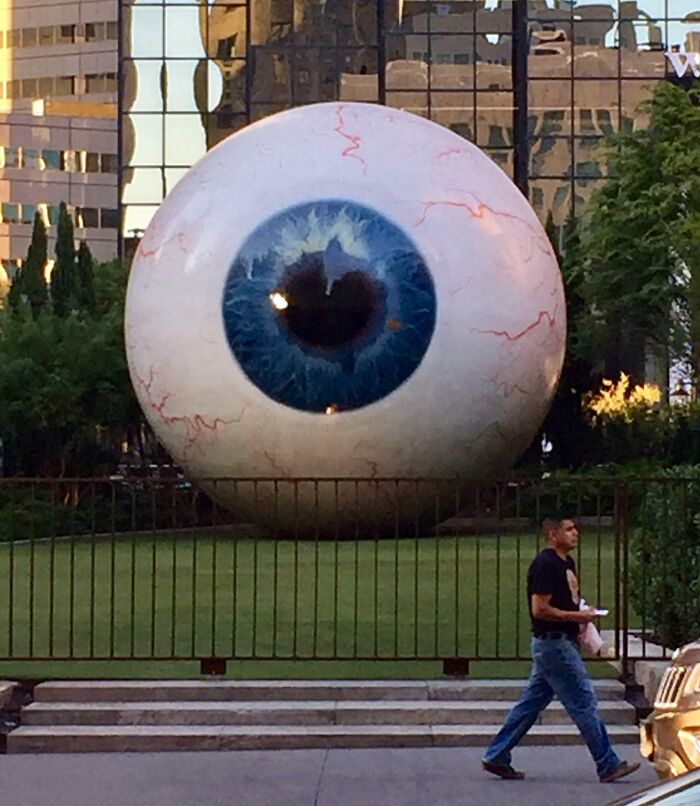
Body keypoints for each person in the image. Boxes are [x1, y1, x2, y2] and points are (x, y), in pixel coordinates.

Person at [481, 515, 641, 783]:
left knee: (531, 704)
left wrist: (582, 613)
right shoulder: (545, 564)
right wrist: (575, 617)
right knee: (583, 701)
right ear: (553, 535)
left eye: (575, 528)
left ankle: (497, 755)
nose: (575, 533)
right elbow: (539, 609)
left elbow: (567, 602)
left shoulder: (567, 563)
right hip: (553, 644)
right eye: (568, 529)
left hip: (558, 643)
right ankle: (607, 763)